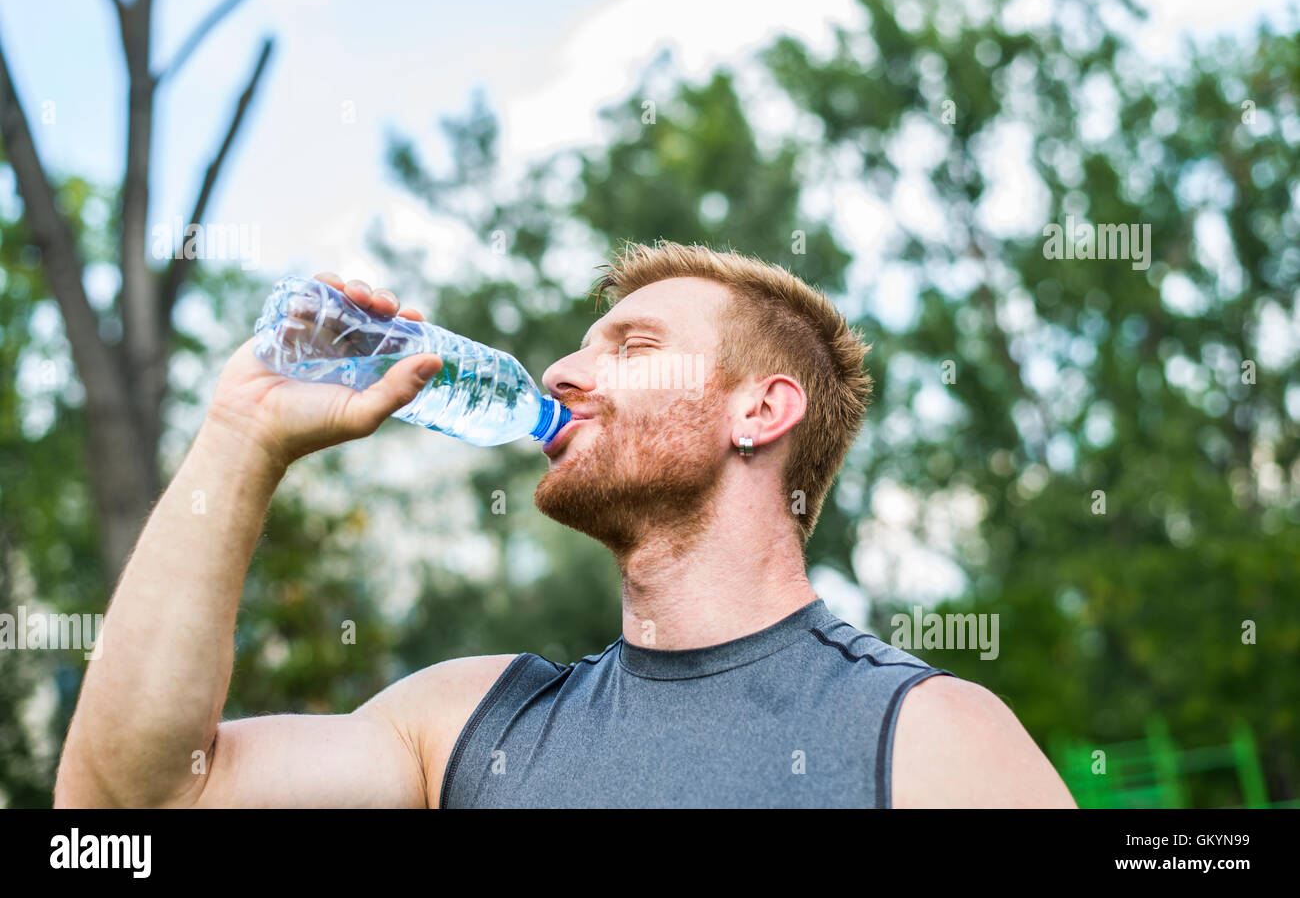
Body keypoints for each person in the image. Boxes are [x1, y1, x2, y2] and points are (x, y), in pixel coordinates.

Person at [54, 241, 1076, 808]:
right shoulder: (462, 726)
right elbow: (129, 808)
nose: (558, 373)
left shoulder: (924, 737)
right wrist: (241, 435)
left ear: (758, 412)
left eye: (630, 344)